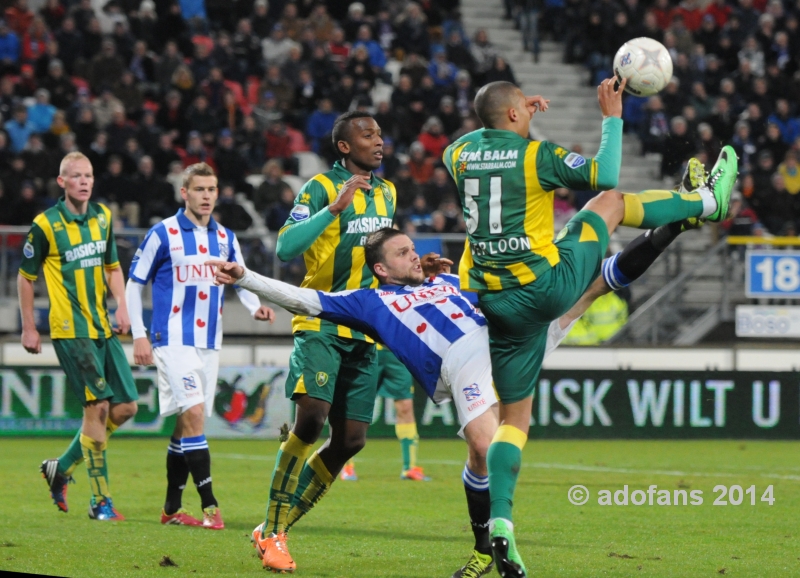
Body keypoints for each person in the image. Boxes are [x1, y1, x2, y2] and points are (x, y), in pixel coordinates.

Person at [207, 188, 701, 577]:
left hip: (508, 332)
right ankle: (488, 546)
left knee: (596, 284)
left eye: (414, 249)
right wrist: (244, 276)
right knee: (483, 451)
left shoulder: (444, 280)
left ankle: (675, 224)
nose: (415, 256)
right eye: (404, 253)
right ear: (381, 268)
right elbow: (304, 300)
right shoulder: (370, 302)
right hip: (462, 361)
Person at [441, 80, 737, 577]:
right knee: (611, 203)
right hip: (546, 286)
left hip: (497, 305)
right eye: (524, 110)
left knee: (513, 422)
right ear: (516, 115)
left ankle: (502, 525)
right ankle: (706, 203)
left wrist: (517, 114)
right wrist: (612, 116)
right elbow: (604, 173)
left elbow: (492, 139)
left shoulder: (457, 153)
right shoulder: (536, 155)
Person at [245, 111, 396, 573]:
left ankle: (275, 524)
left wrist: (415, 271)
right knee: (310, 419)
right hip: (321, 319)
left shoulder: (388, 192)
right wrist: (333, 210)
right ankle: (274, 534)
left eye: (379, 133)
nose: (379, 140)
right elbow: (286, 249)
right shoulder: (319, 188)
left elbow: (383, 259)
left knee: (351, 440)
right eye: (367, 134)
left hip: (365, 328)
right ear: (345, 147)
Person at [125, 162, 274, 529]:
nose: (206, 196)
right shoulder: (163, 233)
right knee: (193, 416)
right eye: (200, 189)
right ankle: (211, 508)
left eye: (212, 189)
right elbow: (134, 284)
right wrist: (139, 334)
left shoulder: (224, 238)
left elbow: (242, 279)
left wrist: (256, 307)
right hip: (171, 338)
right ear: (185, 193)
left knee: (184, 424)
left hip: (209, 341)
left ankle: (171, 510)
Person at [21, 152, 137, 521]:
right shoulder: (45, 225)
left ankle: (62, 467)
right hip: (71, 331)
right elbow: (26, 277)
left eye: (88, 175)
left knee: (126, 407)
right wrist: (27, 326)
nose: (84, 182)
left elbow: (112, 266)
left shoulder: (102, 217)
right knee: (98, 408)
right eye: (76, 176)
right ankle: (100, 501)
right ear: (62, 182)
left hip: (102, 325)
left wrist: (121, 304)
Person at [339, 345, 430, 483]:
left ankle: (409, 468)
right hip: (369, 349)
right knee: (357, 406)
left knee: (405, 406)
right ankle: (346, 466)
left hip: (396, 351)